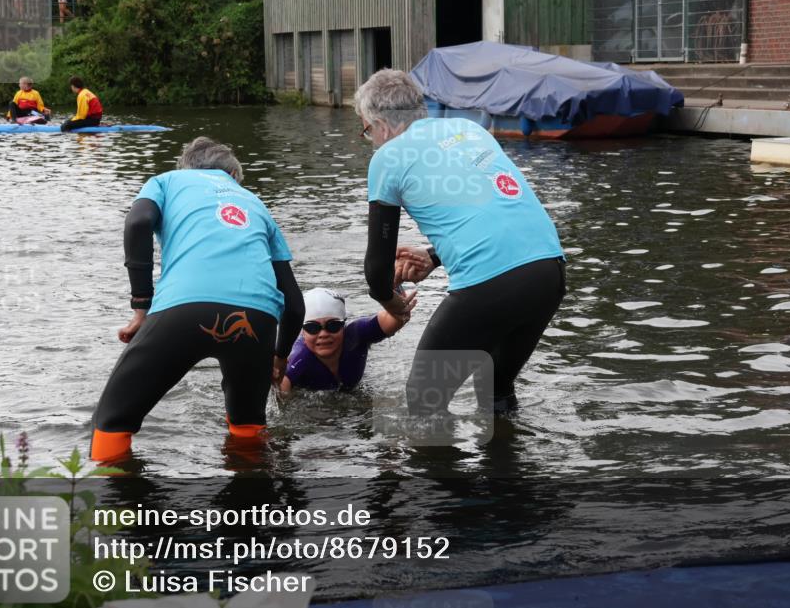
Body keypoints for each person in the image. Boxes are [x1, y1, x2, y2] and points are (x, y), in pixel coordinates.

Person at [356, 69, 566, 417]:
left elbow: (376, 268)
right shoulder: (468, 129)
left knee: (424, 400)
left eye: (367, 131)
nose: (372, 142)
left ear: (381, 124)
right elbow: (498, 211)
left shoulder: (387, 158)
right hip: (548, 271)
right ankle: (506, 466)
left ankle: (442, 473)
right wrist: (435, 256)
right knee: (497, 388)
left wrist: (393, 304)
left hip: (491, 284)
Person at [89, 137, 304, 461]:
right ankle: (250, 500)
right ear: (233, 176)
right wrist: (279, 356)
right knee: (247, 425)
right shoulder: (254, 202)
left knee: (112, 420)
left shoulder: (166, 181)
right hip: (257, 319)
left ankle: (116, 503)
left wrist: (141, 308)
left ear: (187, 167)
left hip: (184, 309)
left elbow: (137, 222)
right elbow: (294, 302)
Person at [280, 287, 415, 393]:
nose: (323, 334)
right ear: (303, 331)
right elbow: (279, 398)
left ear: (343, 325)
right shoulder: (298, 357)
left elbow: (397, 317)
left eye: (333, 325)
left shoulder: (356, 334)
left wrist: (394, 291)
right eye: (312, 328)